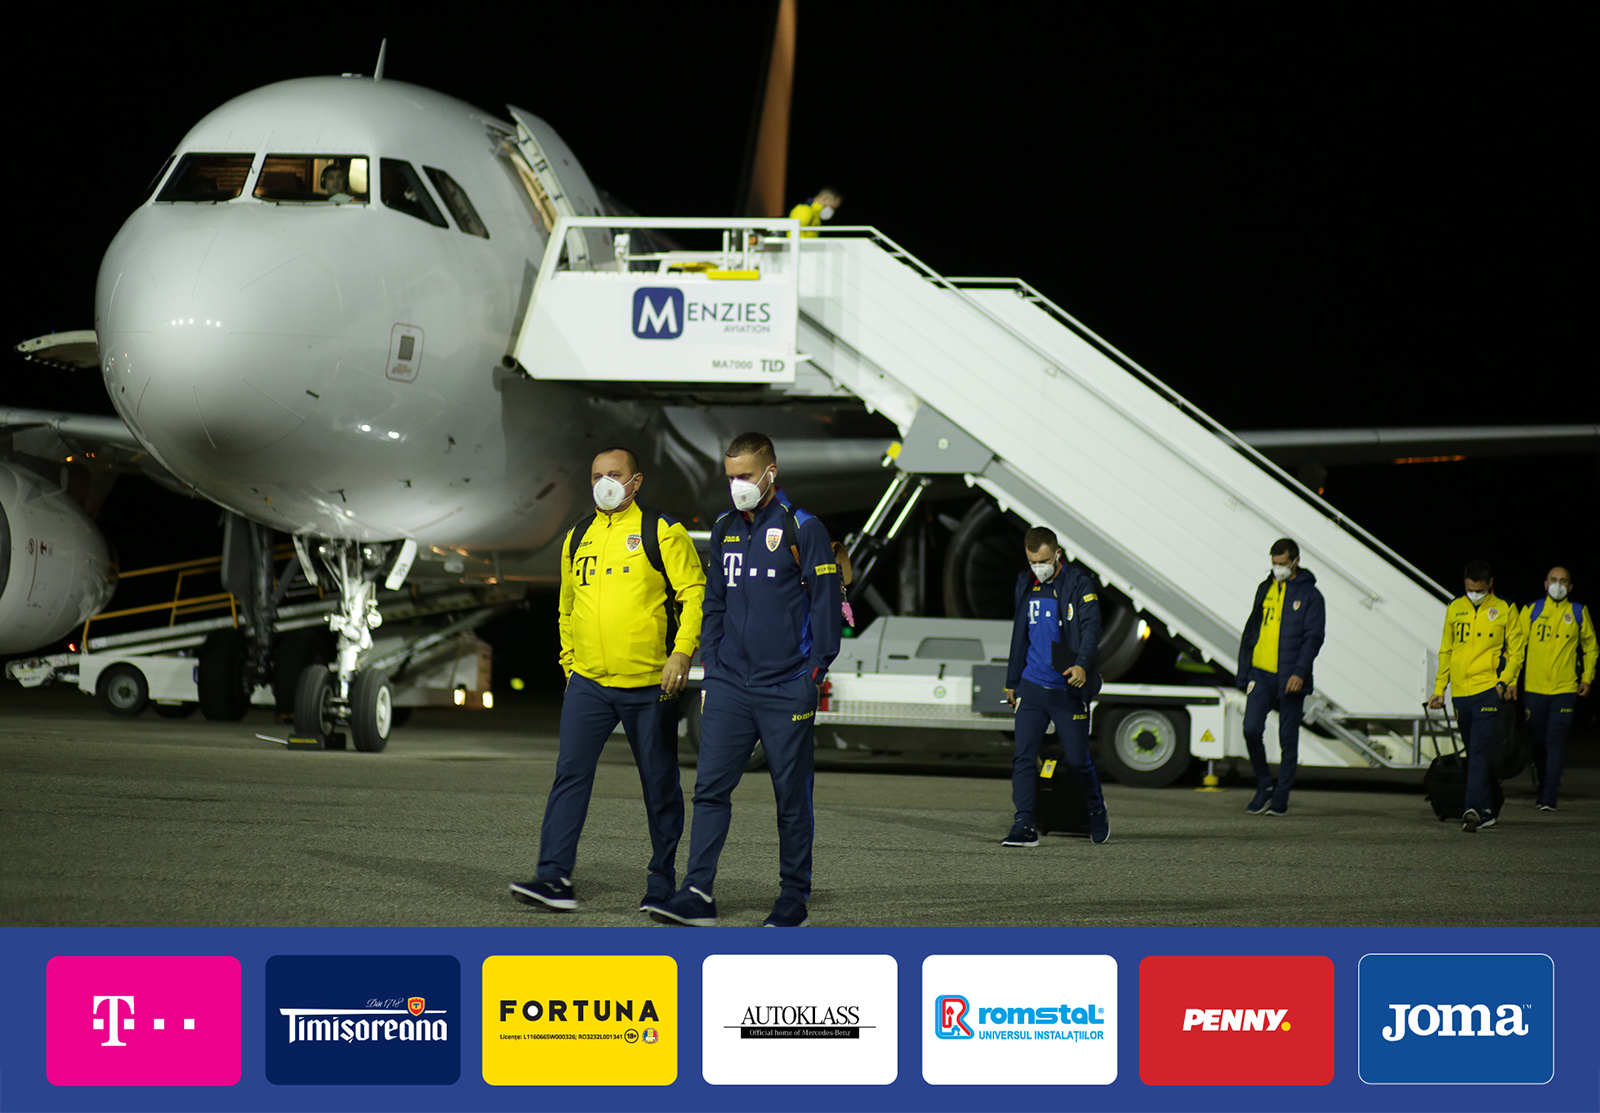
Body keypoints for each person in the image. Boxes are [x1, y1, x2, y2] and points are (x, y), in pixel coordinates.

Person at [644, 432, 842, 927]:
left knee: (790, 796)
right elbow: (714, 602)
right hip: (730, 684)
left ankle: (793, 897)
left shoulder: (803, 527)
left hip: (786, 685)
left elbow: (826, 603)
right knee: (709, 790)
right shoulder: (725, 527)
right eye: (731, 476)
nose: (738, 486)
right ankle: (697, 893)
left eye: (747, 476)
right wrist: (712, 667)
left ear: (771, 472)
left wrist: (814, 672)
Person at [510, 447, 705, 912]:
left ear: (636, 481)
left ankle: (661, 883)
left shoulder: (662, 531)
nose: (605, 483)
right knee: (570, 777)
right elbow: (566, 608)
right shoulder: (577, 536)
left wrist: (682, 652)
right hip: (589, 684)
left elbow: (694, 593)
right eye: (597, 475)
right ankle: (553, 877)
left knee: (659, 786)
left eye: (614, 474)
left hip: (648, 684)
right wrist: (569, 664)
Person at [1001, 526, 1110, 846]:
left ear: (1057, 553)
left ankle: (1096, 810)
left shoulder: (1078, 583)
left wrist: (1082, 664)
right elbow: (1020, 633)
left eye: (1044, 560)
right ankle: (1023, 824)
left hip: (1067, 688)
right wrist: (1012, 681)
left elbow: (1091, 628)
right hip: (1032, 686)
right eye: (1033, 561)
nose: (1039, 567)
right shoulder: (1025, 583)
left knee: (1077, 760)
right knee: (1024, 757)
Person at [1429, 559, 1524, 833]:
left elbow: (1517, 650)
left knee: (1480, 752)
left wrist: (1505, 681)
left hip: (1487, 691)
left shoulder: (1505, 608)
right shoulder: (1454, 607)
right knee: (1474, 753)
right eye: (1469, 589)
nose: (1474, 594)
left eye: (1479, 590)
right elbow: (1446, 650)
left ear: (1490, 584)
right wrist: (1439, 689)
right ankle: (1488, 808)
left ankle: (1471, 810)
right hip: (1461, 693)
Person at [1234, 538, 1327, 816]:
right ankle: (1264, 785)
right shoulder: (1265, 588)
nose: (1278, 569)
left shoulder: (1311, 595)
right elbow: (1252, 631)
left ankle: (1281, 797)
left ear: (1296, 561)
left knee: (1288, 738)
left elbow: (1313, 638)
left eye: (1283, 564)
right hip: (1260, 674)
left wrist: (1299, 672)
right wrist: (1244, 672)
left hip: (1290, 678)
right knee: (1251, 729)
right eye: (1274, 564)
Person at [1510, 566, 1595, 811]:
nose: (1558, 584)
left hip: (1564, 690)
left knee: (1555, 741)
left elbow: (1591, 647)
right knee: (1538, 742)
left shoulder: (1578, 612)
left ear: (1570, 586)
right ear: (1546, 584)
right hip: (1534, 689)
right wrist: (1512, 680)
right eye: (1554, 580)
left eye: (1563, 581)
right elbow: (1517, 648)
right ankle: (1543, 782)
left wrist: (1587, 678)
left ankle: (1549, 794)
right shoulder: (1531, 610)